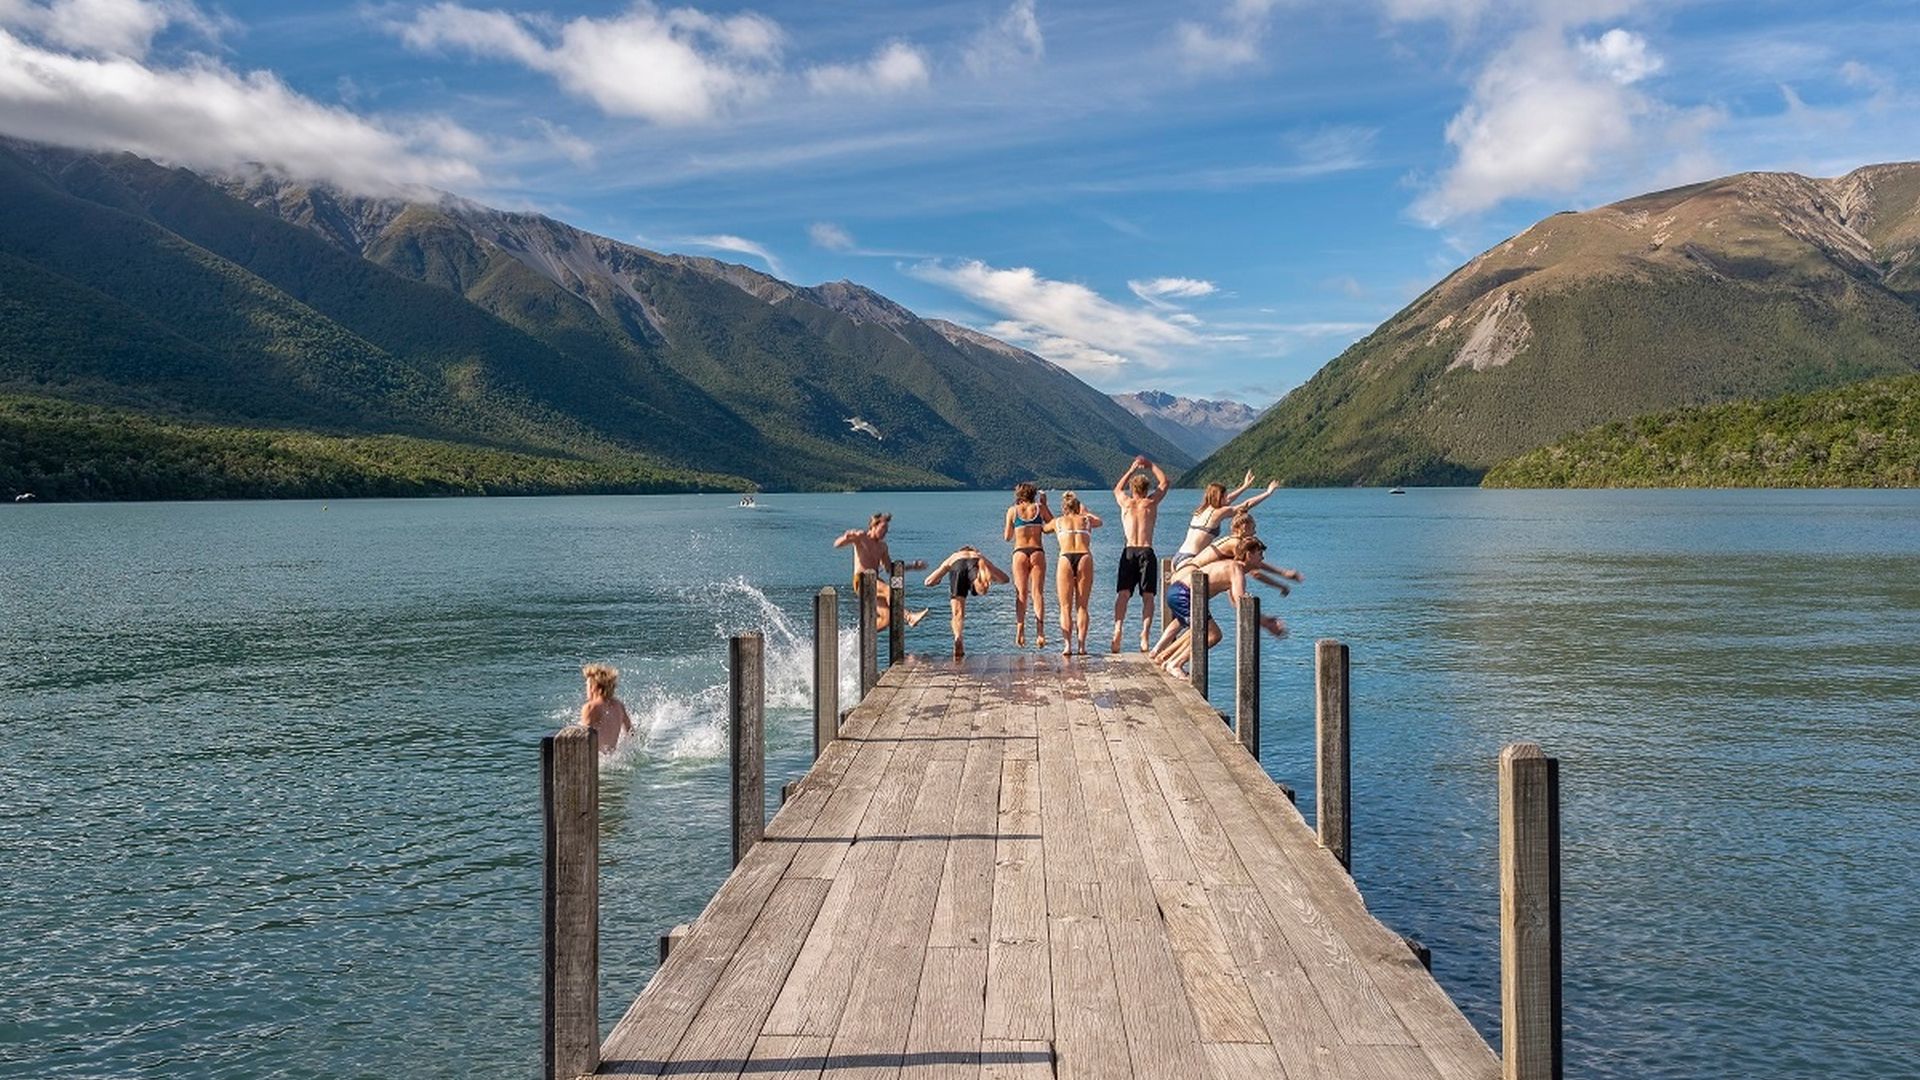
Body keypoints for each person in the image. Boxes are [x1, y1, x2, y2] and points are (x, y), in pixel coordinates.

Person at [1154, 539, 1288, 677]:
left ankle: (1168, 660)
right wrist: (1267, 624)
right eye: (1260, 554)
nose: (1263, 558)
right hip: (1184, 594)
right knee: (1213, 635)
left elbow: (1237, 604)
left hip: (1179, 592)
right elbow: (1241, 603)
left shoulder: (1233, 567)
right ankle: (1175, 664)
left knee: (1204, 632)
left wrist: (1264, 621)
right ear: (1248, 555)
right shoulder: (1236, 570)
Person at [1110, 455, 1170, 654]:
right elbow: (1165, 482)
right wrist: (1151, 465)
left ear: (1132, 489)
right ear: (1146, 490)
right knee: (1148, 596)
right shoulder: (1150, 503)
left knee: (1124, 593)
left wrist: (1132, 469)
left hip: (1129, 551)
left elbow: (1117, 489)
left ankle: (1118, 628)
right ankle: (1144, 634)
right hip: (1146, 550)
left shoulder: (1126, 502)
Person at [833, 512, 929, 630]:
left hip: (876, 581)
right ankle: (909, 617)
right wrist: (845, 537)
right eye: (883, 528)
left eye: (887, 530)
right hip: (862, 580)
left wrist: (913, 566)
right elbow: (837, 545)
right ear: (873, 526)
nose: (885, 532)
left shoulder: (882, 546)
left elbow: (889, 568)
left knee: (886, 619)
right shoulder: (861, 538)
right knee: (890, 590)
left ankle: (860, 638)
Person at [1171, 470, 1278, 572]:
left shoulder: (1200, 511)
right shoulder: (1217, 513)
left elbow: (1229, 500)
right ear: (1219, 498)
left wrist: (1245, 486)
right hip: (1191, 560)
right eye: (1225, 496)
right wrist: (1268, 493)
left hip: (1178, 557)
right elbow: (1246, 505)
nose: (1228, 499)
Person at [924, 545, 1011, 658]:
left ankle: (958, 637)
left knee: (957, 613)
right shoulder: (978, 555)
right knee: (982, 588)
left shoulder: (954, 556)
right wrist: (993, 577)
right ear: (972, 551)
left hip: (956, 566)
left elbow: (928, 582)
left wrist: (937, 580)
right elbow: (1005, 579)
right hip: (975, 564)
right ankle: (981, 581)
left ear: (960, 551)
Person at [1044, 492, 1103, 656]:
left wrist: (1045, 506)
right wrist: (1085, 511)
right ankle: (1082, 646)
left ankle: (1068, 646)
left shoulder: (1058, 522)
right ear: (1078, 507)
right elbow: (1100, 521)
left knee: (1065, 607)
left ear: (1063, 508)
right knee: (1082, 606)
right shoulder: (1086, 520)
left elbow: (1044, 528)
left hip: (1065, 557)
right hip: (1084, 556)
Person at [1002, 484, 1053, 649]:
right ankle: (1040, 632)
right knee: (1037, 593)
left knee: (1021, 593)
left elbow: (1007, 537)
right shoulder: (1039, 508)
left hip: (1019, 553)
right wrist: (1045, 504)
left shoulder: (1013, 511)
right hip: (1037, 551)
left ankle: (1020, 629)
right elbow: (1052, 526)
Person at [579, 663, 634, 755]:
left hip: (595, 761)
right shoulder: (619, 706)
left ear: (595, 687)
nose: (585, 689)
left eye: (587, 685)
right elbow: (631, 733)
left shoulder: (590, 707)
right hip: (612, 759)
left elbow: (582, 739)